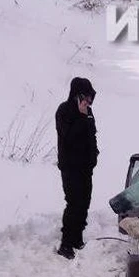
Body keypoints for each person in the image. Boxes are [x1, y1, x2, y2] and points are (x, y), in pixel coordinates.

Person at [55, 76, 98, 259]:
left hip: (85, 167)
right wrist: (80, 117)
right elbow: (68, 137)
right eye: (86, 97)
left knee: (84, 203)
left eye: (91, 97)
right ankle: (66, 244)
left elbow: (92, 135)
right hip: (70, 167)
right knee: (74, 203)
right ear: (77, 95)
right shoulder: (64, 111)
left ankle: (77, 238)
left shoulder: (88, 112)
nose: (89, 101)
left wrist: (94, 154)